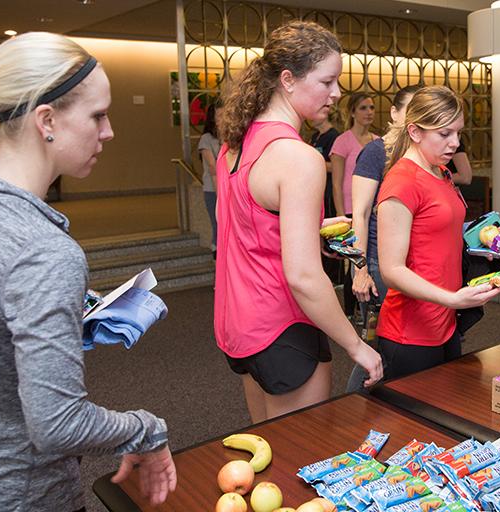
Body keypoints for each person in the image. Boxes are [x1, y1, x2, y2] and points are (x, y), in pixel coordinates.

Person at [0, 32, 176, 510]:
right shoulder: (44, 252)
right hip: (22, 497)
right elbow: (57, 423)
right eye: (98, 115)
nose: (109, 131)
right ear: (47, 120)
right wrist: (146, 430)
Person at [215, 21, 383, 423]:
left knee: (268, 450)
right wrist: (355, 346)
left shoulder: (233, 145)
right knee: (301, 461)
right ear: (287, 80)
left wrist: (314, 234)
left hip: (239, 323)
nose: (336, 93)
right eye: (327, 82)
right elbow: (303, 276)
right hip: (282, 323)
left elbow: (251, 229)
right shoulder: (299, 157)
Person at [375, 85, 500, 380]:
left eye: (458, 133)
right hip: (410, 332)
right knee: (412, 423)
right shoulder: (403, 182)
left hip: (446, 321)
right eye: (444, 134)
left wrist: (486, 244)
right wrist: (452, 300)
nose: (454, 143)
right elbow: (391, 270)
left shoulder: (441, 171)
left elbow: (442, 235)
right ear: (415, 131)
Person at [344, 85, 420, 392]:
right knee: (381, 346)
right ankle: (352, 406)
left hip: (412, 263)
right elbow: (359, 215)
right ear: (394, 113)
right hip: (377, 261)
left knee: (410, 343)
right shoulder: (376, 151)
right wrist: (359, 270)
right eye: (412, 110)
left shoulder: (425, 153)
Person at [330, 92, 378, 217]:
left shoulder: (378, 141)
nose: (369, 112)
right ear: (352, 113)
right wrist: (340, 215)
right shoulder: (342, 141)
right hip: (349, 210)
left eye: (372, 107)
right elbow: (336, 184)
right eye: (363, 108)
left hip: (373, 209)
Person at [198, 102, 221, 252]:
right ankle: (216, 255)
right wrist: (221, 194)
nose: (223, 119)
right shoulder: (206, 139)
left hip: (228, 188)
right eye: (219, 116)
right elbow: (213, 168)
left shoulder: (230, 137)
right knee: (217, 224)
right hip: (213, 189)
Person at [308, 112, 340, 217]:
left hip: (329, 191)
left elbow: (336, 167)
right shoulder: (315, 136)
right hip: (318, 189)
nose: (310, 117)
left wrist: (313, 163)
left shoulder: (334, 137)